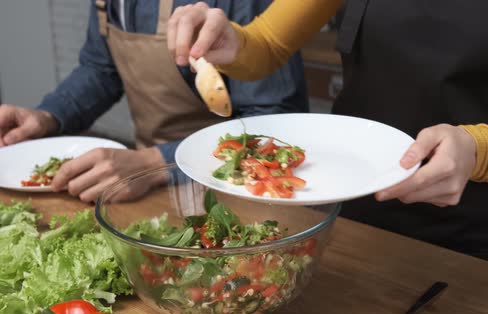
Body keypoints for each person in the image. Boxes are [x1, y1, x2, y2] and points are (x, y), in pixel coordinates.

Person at [167, 0, 488, 269]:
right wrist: (231, 41)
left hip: (469, 244)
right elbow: (268, 44)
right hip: (350, 226)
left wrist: (480, 151)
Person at [0, 0, 308, 203]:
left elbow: (274, 119)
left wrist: (155, 162)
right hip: (145, 189)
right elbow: (101, 69)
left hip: (235, 193)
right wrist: (48, 115)